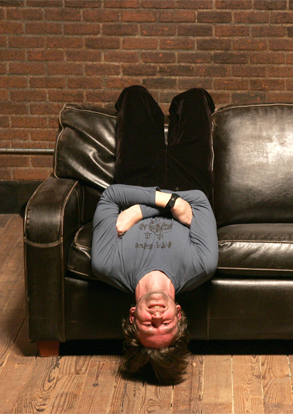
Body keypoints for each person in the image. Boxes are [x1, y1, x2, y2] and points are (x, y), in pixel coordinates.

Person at [91, 85, 219, 385]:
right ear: (179, 314)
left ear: (133, 317)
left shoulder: (107, 264)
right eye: (166, 325)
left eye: (149, 326)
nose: (158, 318)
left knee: (134, 96)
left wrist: (143, 209)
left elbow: (110, 196)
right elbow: (200, 201)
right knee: (195, 98)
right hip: (189, 181)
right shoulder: (202, 265)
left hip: (137, 180)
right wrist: (167, 203)